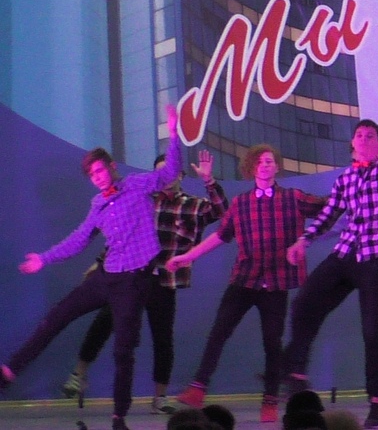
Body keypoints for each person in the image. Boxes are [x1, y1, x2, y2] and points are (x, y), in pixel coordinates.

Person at [1, 106, 182, 430]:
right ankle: (9, 371)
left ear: (112, 167)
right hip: (106, 277)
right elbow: (78, 240)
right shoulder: (98, 204)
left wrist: (174, 133)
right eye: (92, 174)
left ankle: (119, 416)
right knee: (57, 316)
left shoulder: (138, 185)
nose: (97, 177)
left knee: (124, 349)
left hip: (134, 282)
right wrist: (43, 258)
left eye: (100, 170)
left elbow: (169, 173)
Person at [166, 144, 329, 423]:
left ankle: (270, 400)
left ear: (277, 167)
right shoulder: (242, 203)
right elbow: (220, 236)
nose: (265, 165)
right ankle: (198, 388)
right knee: (219, 331)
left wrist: (352, 192)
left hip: (275, 283)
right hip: (245, 279)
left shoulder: (293, 197)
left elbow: (328, 206)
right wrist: (188, 256)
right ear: (252, 168)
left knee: (272, 343)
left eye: (270, 161)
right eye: (260, 161)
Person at [60, 148, 227, 414]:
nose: (166, 177)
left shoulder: (193, 205)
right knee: (105, 321)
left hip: (164, 281)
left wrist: (209, 180)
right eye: (160, 172)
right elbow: (121, 237)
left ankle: (159, 398)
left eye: (170, 172)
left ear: (179, 174)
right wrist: (101, 262)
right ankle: (79, 374)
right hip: (130, 277)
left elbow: (223, 213)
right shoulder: (142, 198)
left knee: (163, 338)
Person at [281, 121, 378, 429]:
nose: (364, 139)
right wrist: (304, 240)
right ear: (352, 144)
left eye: (370, 136)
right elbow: (330, 213)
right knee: (305, 302)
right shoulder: (346, 178)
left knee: (371, 330)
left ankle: (377, 399)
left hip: (374, 258)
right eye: (359, 136)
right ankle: (295, 372)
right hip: (345, 253)